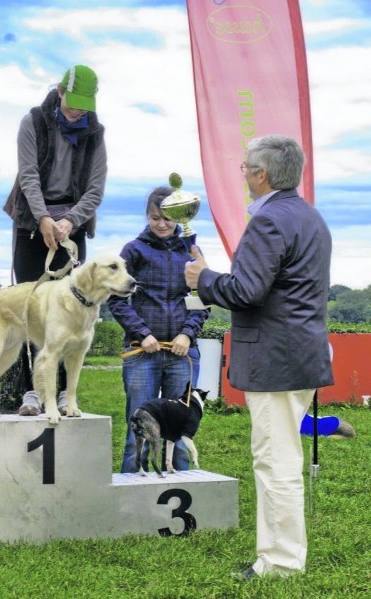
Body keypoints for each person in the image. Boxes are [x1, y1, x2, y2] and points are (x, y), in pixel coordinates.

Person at [184, 134, 333, 579]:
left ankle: (282, 563)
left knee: (276, 463)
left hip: (276, 359)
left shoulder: (270, 221)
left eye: (245, 167)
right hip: (298, 354)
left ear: (261, 175)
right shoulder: (310, 217)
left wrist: (202, 278)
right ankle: (280, 557)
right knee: (279, 458)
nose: (242, 173)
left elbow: (247, 292)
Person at [3, 64, 107, 416]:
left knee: (73, 310)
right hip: (31, 222)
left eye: (83, 106)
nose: (77, 111)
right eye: (72, 102)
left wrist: (70, 221)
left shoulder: (96, 133)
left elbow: (96, 188)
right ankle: (30, 393)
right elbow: (28, 175)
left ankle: (64, 394)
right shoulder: (32, 122)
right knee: (31, 309)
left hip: (72, 227)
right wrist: (44, 217)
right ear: (60, 91)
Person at [108, 184, 208, 473]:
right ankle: (131, 498)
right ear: (147, 216)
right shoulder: (133, 251)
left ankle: (180, 487)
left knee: (179, 429)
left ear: (179, 216)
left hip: (182, 354)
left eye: (167, 217)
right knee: (138, 426)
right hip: (142, 354)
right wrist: (143, 333)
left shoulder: (191, 250)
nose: (161, 224)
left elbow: (202, 299)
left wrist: (187, 333)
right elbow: (116, 300)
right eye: (155, 218)